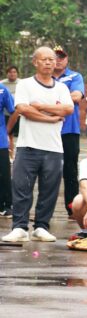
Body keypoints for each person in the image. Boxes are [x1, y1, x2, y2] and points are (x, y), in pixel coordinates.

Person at [2, 47, 72, 243]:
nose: (50, 63)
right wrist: (50, 119)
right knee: (22, 187)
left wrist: (40, 106)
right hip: (28, 145)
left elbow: (68, 108)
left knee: (49, 189)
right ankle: (19, 227)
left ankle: (41, 226)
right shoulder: (25, 85)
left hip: (53, 147)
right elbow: (23, 108)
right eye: (45, 59)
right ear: (35, 62)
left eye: (52, 59)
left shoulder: (61, 88)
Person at [52, 45, 85, 217]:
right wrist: (64, 101)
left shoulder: (75, 76)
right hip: (48, 129)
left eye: (61, 56)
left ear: (67, 59)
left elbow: (77, 96)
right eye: (54, 56)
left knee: (71, 171)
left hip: (69, 130)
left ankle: (72, 208)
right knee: (48, 170)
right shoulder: (43, 78)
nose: (58, 60)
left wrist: (50, 100)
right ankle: (46, 210)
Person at [0, 76, 15, 216]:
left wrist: (7, 129)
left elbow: (14, 110)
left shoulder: (2, 90)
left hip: (1, 141)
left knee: (4, 173)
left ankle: (7, 204)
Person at [4, 66, 20, 160]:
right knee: (9, 134)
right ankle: (11, 156)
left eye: (14, 72)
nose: (12, 74)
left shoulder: (22, 83)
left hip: (20, 114)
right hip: (6, 114)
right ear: (7, 73)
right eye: (10, 72)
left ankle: (17, 156)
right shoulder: (2, 84)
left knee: (18, 135)